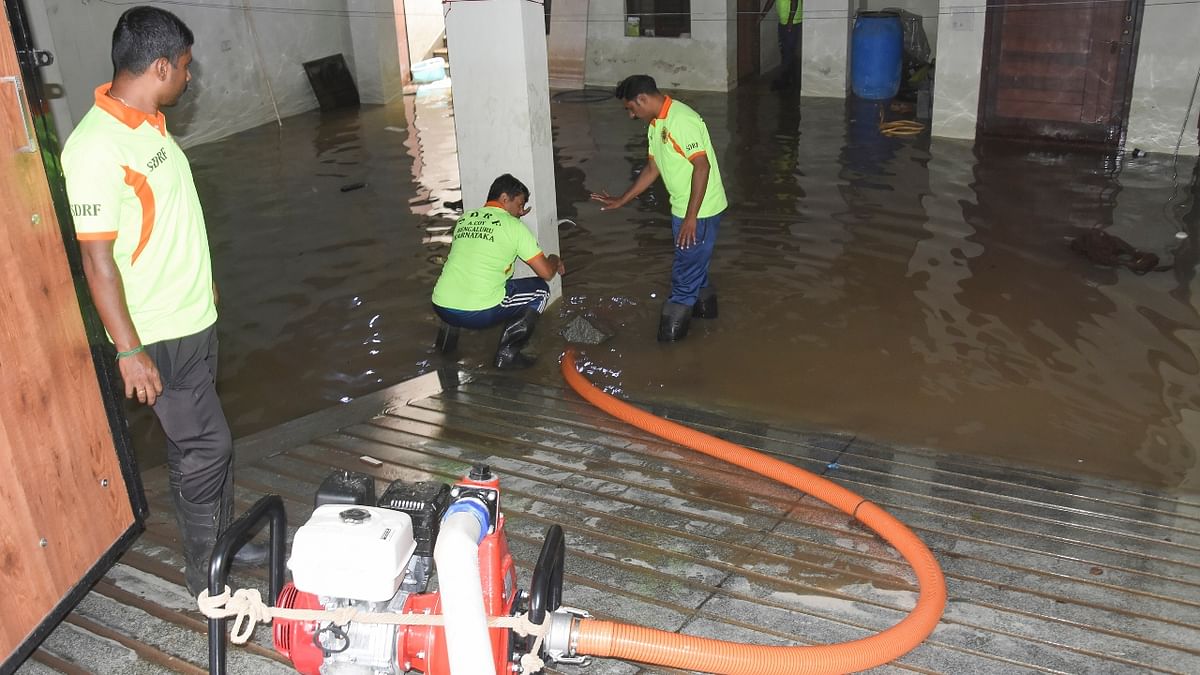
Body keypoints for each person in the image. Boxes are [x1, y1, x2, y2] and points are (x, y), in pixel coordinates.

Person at [61, 6, 263, 597]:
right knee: (206, 445)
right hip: (158, 330)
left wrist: (203, 280)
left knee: (198, 440)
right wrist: (129, 350)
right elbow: (97, 263)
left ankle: (221, 546)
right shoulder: (95, 148)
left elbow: (164, 220)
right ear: (158, 66)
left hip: (192, 312)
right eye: (184, 67)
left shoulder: (148, 123)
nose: (189, 78)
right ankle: (208, 576)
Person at [591, 75, 727, 342]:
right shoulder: (656, 124)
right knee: (695, 270)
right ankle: (708, 324)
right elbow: (654, 168)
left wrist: (691, 219)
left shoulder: (681, 120)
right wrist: (623, 199)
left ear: (642, 99)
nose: (631, 115)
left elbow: (703, 166)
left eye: (631, 108)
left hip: (700, 211)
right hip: (684, 209)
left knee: (683, 279)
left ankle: (669, 353)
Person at [432, 174, 565, 368]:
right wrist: (554, 258)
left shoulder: (464, 219)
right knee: (540, 291)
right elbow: (546, 272)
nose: (521, 212)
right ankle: (507, 357)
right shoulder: (514, 227)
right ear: (504, 198)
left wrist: (515, 213)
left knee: (458, 285)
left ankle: (444, 351)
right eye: (519, 205)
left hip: (441, 305)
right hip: (480, 312)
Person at [765, 0, 802, 91]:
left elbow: (794, 2)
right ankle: (790, 78)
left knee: (788, 51)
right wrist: (762, 14)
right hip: (782, 22)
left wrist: (790, 21)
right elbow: (770, 1)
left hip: (793, 22)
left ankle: (785, 80)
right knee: (785, 50)